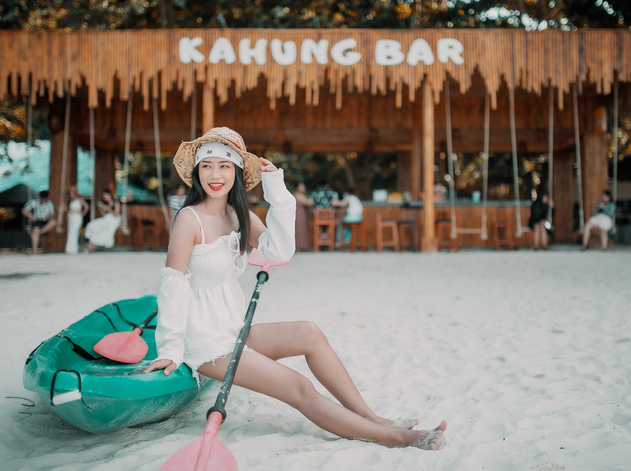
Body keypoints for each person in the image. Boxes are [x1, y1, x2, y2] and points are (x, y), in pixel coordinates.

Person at [143, 127, 446, 450]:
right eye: (207, 166)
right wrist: (172, 349)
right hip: (205, 343)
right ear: (196, 171)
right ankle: (399, 438)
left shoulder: (238, 215)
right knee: (299, 386)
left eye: (224, 166)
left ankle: (371, 417)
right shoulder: (189, 219)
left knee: (310, 332)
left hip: (232, 329)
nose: (215, 175)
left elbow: (279, 252)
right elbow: (173, 283)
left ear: (237, 171)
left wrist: (278, 191)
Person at [21, 190, 56, 255]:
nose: (43, 200)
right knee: (36, 230)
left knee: (53, 222)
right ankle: (35, 251)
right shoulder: (33, 202)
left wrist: (47, 218)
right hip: (37, 219)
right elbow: (24, 210)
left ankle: (38, 233)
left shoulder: (50, 203)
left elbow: (52, 214)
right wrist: (31, 216)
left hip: (46, 220)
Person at [64, 185, 89, 254]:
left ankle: (71, 249)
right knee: (71, 233)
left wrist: (82, 213)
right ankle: (71, 249)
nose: (71, 194)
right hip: (71, 218)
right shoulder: (71, 201)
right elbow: (69, 210)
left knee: (73, 233)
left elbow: (86, 207)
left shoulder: (79, 199)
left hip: (77, 218)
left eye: (72, 193)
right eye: (70, 193)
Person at [292, 182, 313, 251]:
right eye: (302, 186)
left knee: (299, 229)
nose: (303, 188)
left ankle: (299, 245)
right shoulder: (298, 195)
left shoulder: (297, 194)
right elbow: (308, 203)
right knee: (299, 229)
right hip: (299, 213)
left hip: (299, 213)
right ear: (297, 187)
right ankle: (299, 245)